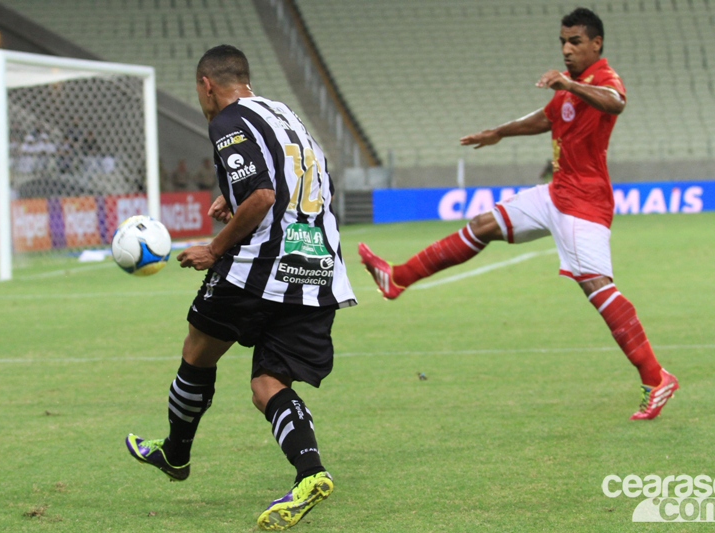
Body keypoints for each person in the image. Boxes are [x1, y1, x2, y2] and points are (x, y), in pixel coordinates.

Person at [359, 7, 678, 421]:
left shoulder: (602, 79)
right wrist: (499, 132)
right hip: (556, 193)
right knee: (483, 225)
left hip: (585, 203)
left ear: (596, 44)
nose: (566, 49)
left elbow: (616, 103)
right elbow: (544, 118)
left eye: (575, 42)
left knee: (598, 289)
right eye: (563, 41)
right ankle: (398, 277)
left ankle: (656, 378)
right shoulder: (571, 88)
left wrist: (567, 83)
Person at [126, 44, 357, 530]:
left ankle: (176, 453)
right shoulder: (283, 113)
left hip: (260, 266)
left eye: (199, 92)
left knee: (198, 350)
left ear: (207, 86)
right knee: (267, 385)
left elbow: (264, 194)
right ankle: (310, 474)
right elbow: (292, 179)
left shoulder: (226, 120)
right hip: (317, 266)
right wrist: (232, 198)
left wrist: (215, 248)